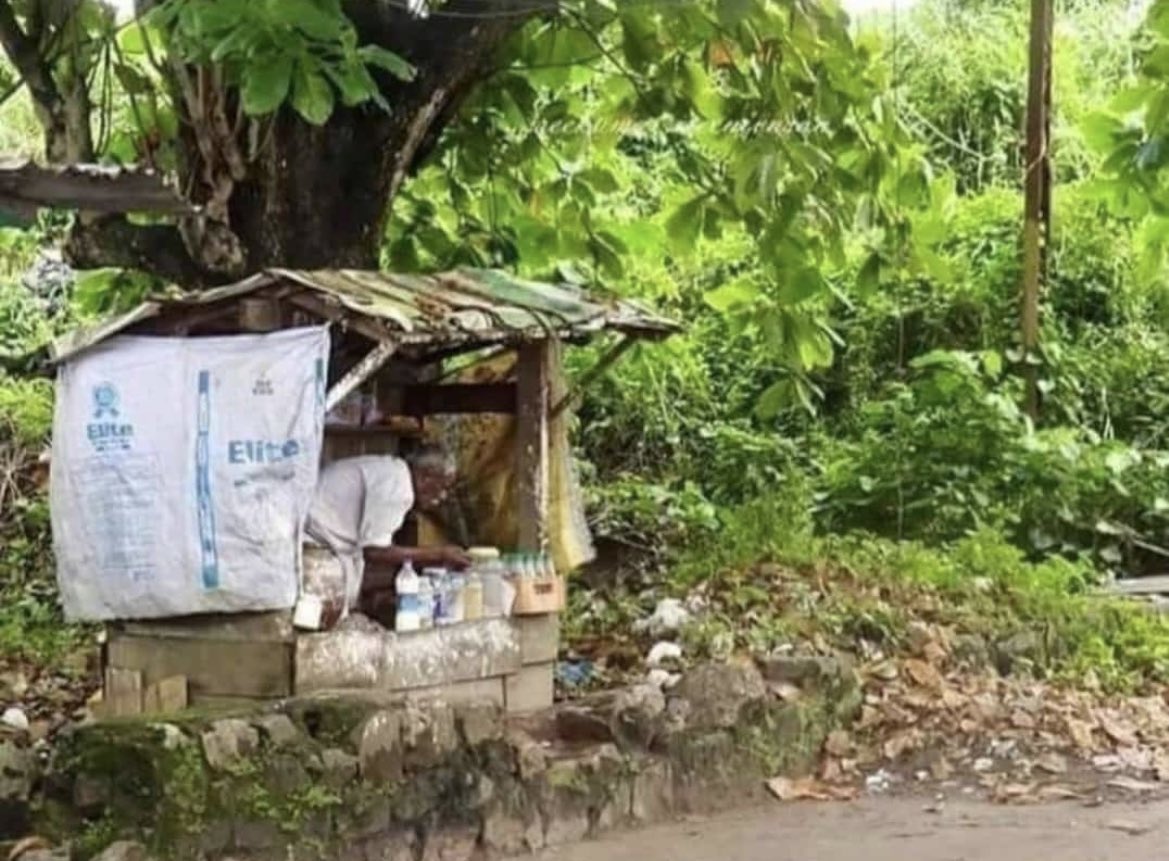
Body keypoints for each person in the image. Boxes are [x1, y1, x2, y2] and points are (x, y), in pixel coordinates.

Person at [304, 446, 469, 624]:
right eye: (442, 486)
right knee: (316, 623)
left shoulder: (393, 474)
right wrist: (439, 554)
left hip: (320, 540)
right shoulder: (399, 486)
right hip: (313, 545)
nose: (442, 496)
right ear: (426, 476)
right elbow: (375, 551)